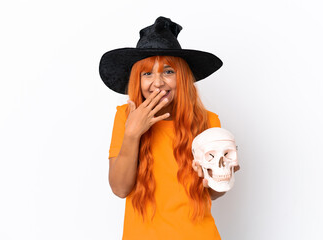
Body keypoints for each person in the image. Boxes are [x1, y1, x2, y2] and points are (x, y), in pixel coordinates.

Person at [99, 16, 239, 240]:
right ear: (138, 80)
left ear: (181, 77)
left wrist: (221, 178)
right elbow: (120, 189)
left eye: (168, 71)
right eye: (147, 74)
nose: (158, 82)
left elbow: (210, 193)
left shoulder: (208, 121)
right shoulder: (126, 118)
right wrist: (133, 133)